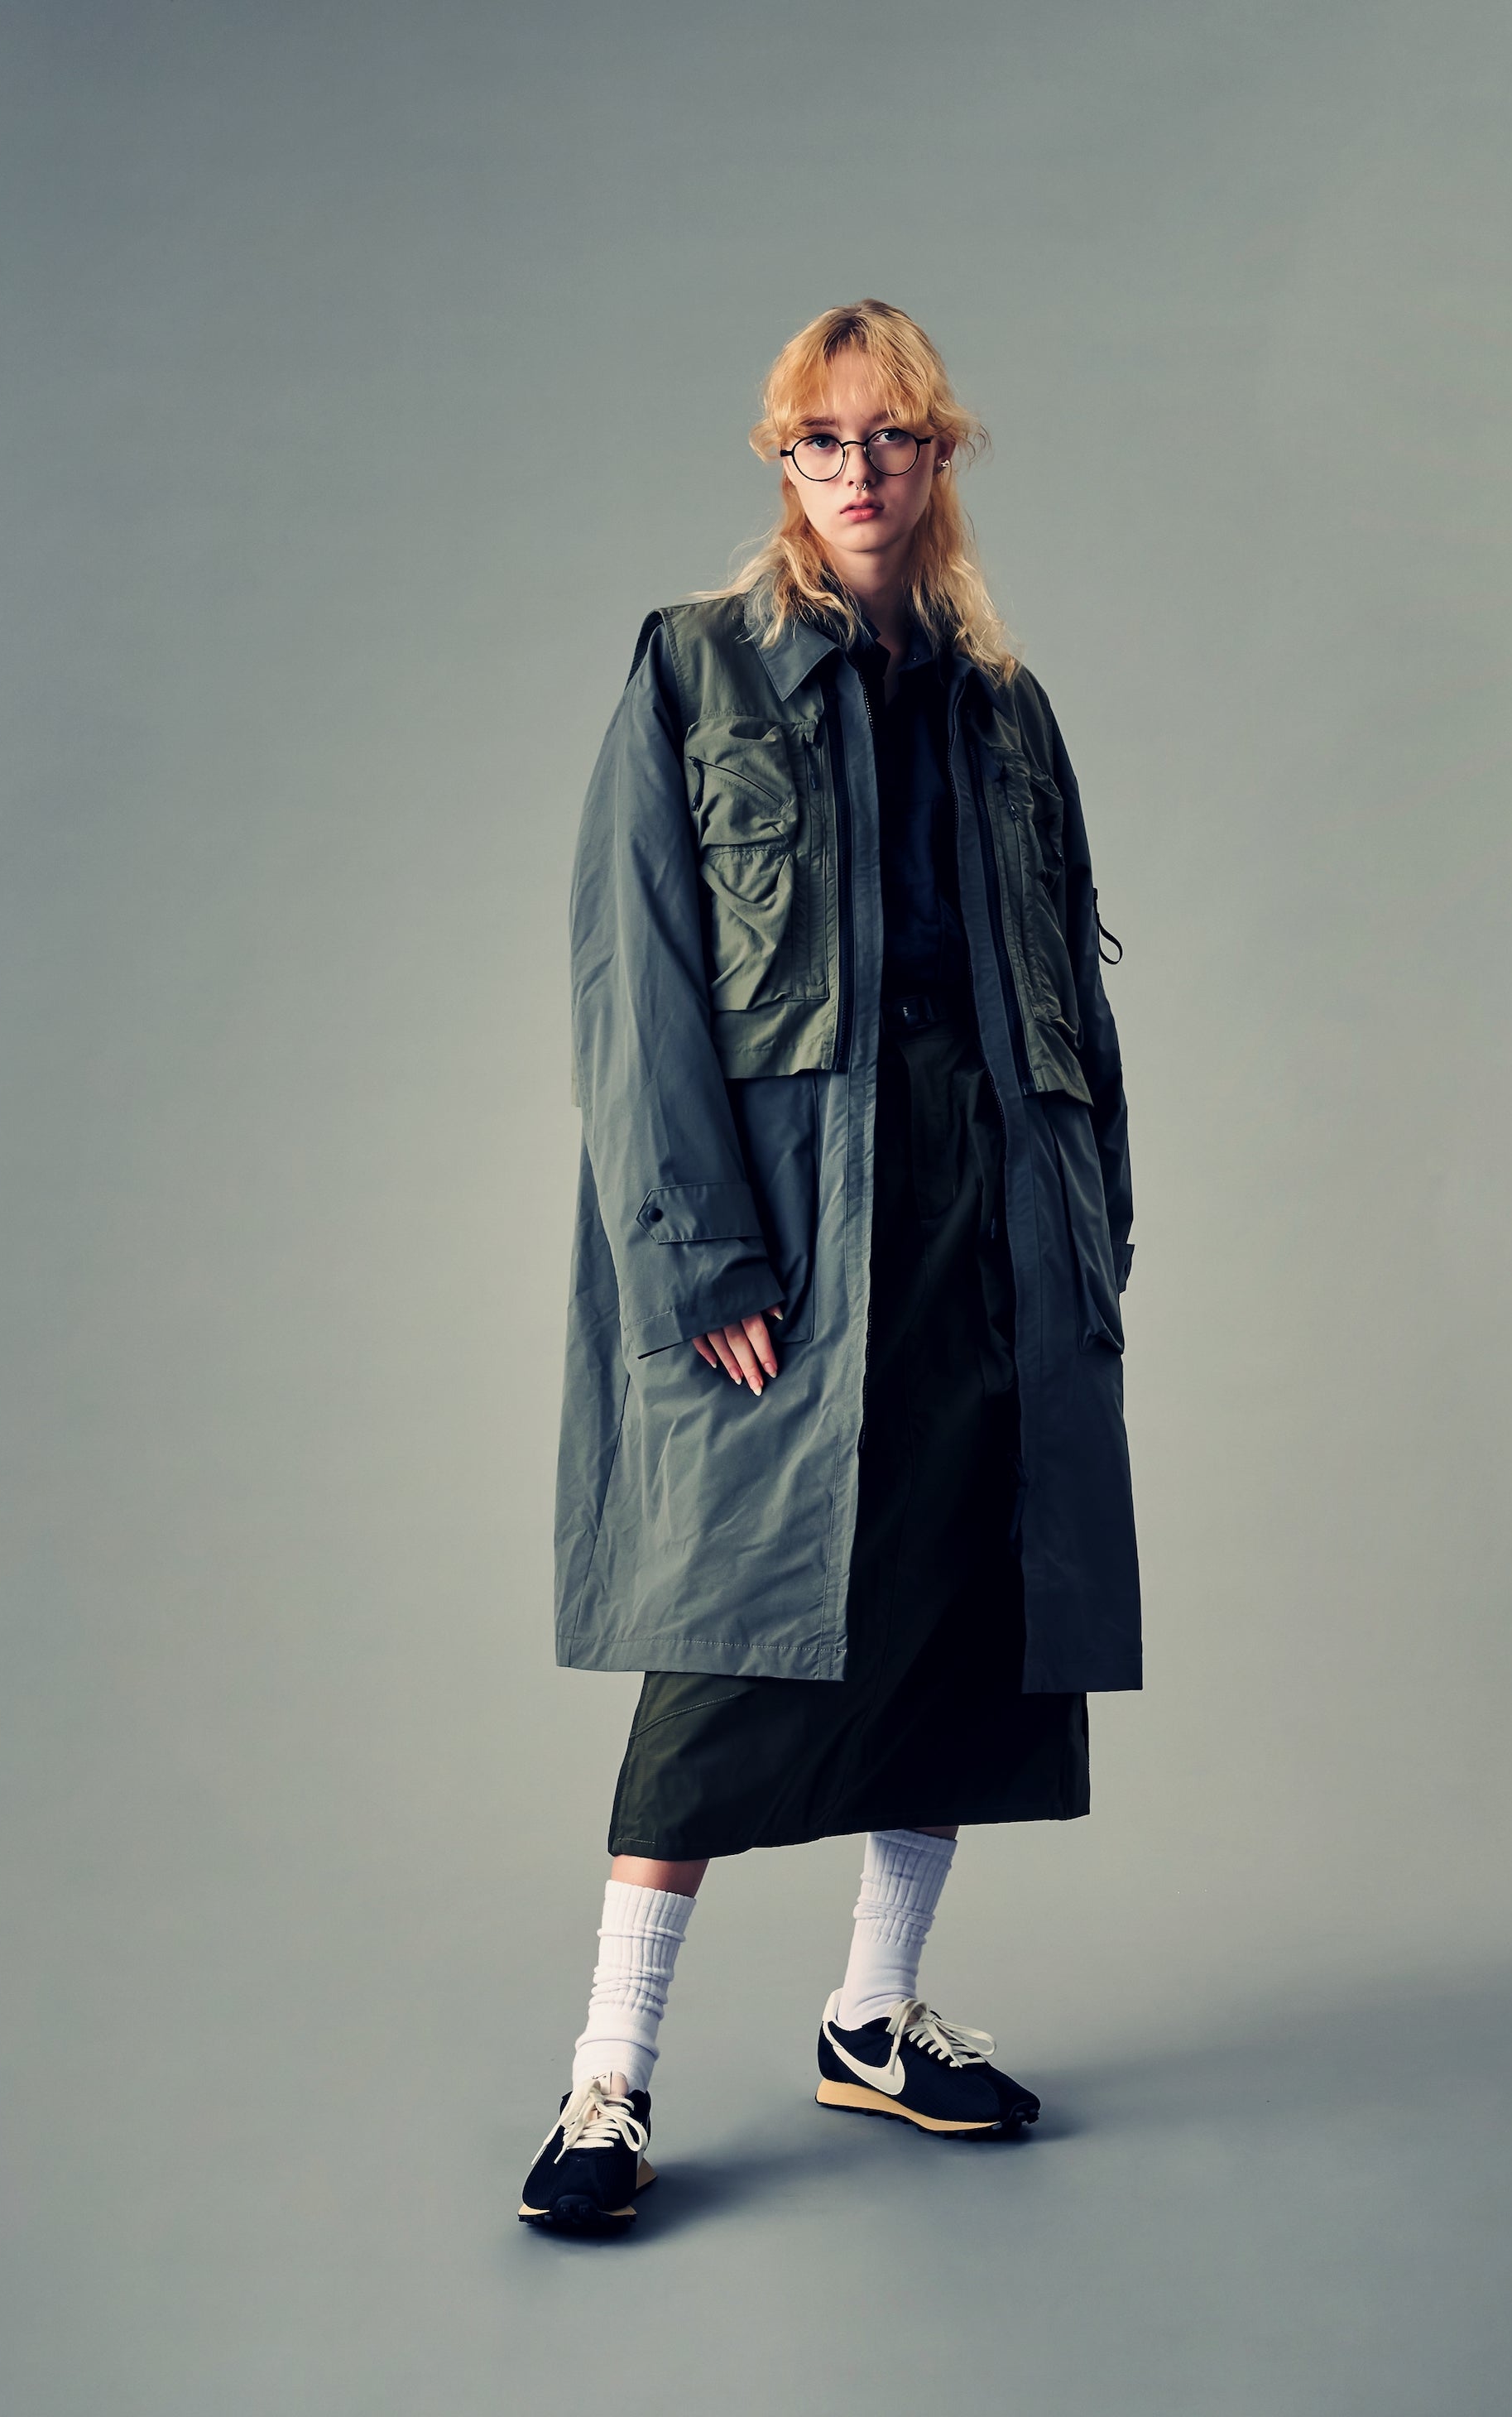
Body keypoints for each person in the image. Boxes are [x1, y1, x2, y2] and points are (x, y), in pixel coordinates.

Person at [521, 300, 1140, 2233]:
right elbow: (633, 979)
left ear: (940, 457)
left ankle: (872, 2013)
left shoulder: (1006, 708)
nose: (857, 471)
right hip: (798, 1216)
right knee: (730, 1637)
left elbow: (1075, 978)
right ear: (782, 463)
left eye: (891, 437)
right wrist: (704, 1244)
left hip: (990, 1206)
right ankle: (608, 2079)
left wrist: (1096, 1225)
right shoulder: (696, 672)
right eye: (820, 439)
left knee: (961, 1606)